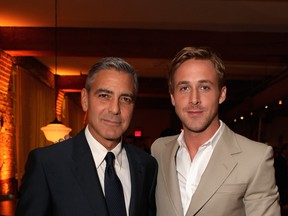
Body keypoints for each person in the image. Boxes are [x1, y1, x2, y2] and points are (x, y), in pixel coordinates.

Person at [16, 57, 158, 216]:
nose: (115, 109)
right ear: (85, 100)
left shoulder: (146, 165)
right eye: (104, 95)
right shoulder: (48, 164)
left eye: (125, 99)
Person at [151, 46, 280, 216]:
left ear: (222, 94)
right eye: (184, 88)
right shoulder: (159, 150)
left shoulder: (256, 158)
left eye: (204, 87)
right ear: (173, 97)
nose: (194, 99)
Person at [274, 144, 288, 215]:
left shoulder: (284, 159)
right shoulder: (279, 160)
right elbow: (280, 174)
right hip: (280, 184)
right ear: (284, 150)